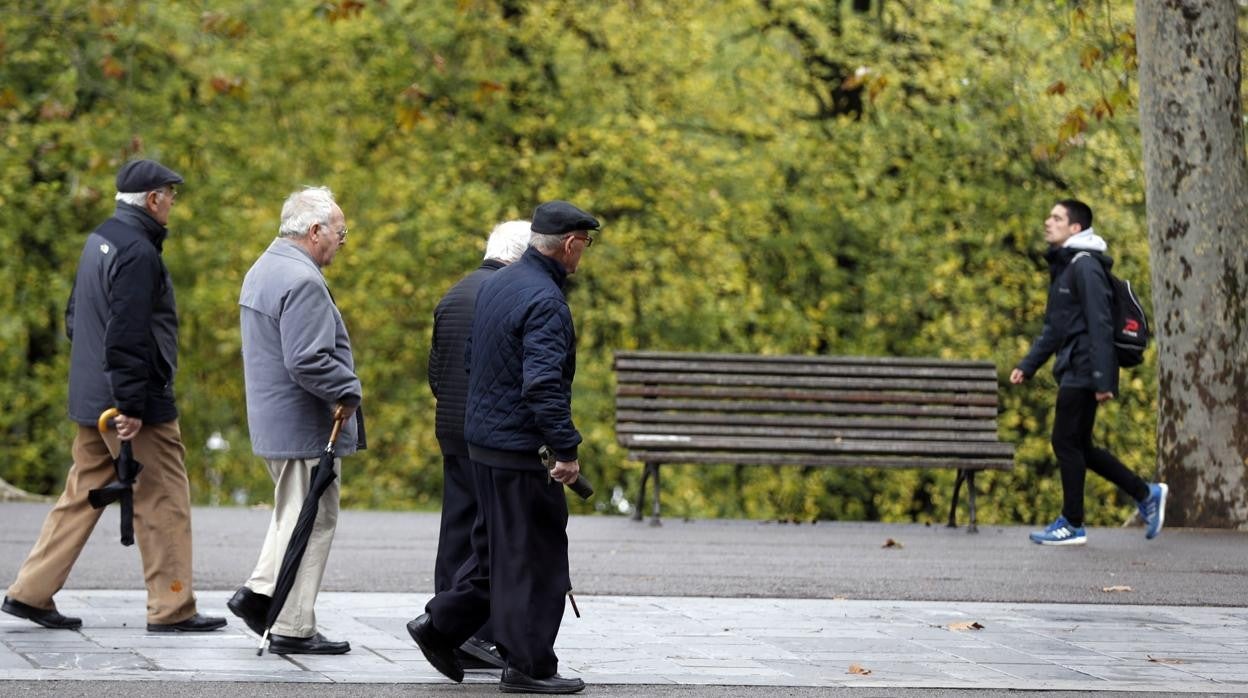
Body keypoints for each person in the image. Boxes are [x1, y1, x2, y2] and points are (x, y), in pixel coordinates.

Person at [2, 159, 226, 633]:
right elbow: (127, 335)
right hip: (130, 403)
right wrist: (130, 404)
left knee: (83, 493)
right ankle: (172, 607)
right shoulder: (139, 253)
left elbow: (74, 317)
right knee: (163, 497)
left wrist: (101, 387)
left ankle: (30, 592)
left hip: (92, 395)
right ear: (152, 200)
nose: (172, 203)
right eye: (170, 194)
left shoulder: (100, 239)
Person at [407, 201, 598, 695]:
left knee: (495, 556)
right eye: (586, 243)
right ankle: (529, 666)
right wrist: (566, 451)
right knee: (537, 558)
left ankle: (440, 626)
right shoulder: (546, 301)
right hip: (518, 451)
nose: (585, 254)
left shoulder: (497, 286)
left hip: (483, 446)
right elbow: (543, 386)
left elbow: (472, 361)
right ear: (571, 244)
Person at [227, 186, 363, 655]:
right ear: (315, 230)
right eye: (340, 234)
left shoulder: (264, 268)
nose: (342, 243)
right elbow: (307, 360)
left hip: (275, 421)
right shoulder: (301, 279)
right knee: (313, 518)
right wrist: (348, 390)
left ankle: (262, 596)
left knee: (294, 514)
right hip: (303, 425)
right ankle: (289, 622)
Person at [1011, 199, 1168, 546]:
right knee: (1080, 444)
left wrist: (1103, 379)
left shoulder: (1085, 266)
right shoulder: (1067, 268)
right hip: (1075, 364)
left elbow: (1100, 322)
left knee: (1064, 441)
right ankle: (1146, 492)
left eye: (1056, 217)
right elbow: (1054, 327)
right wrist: (1028, 365)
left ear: (1075, 228)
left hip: (1084, 367)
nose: (1047, 222)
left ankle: (1072, 522)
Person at [428, 220, 533, 670]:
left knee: (456, 529)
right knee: (491, 535)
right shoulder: (506, 296)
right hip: (488, 433)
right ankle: (477, 634)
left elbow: (436, 368)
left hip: (450, 426)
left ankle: (446, 628)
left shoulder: (454, 292)